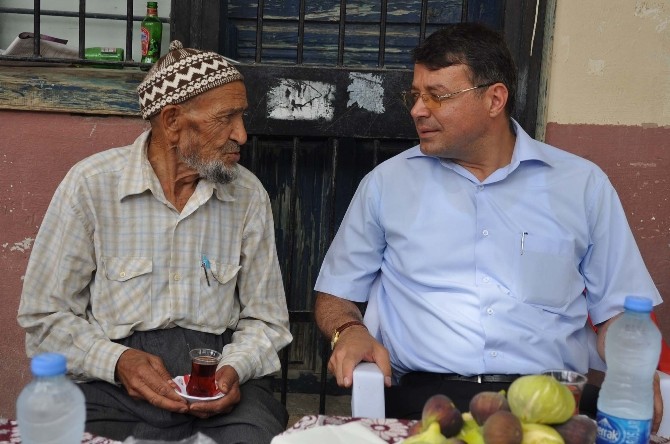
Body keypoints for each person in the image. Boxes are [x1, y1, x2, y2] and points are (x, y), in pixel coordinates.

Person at [314, 22, 664, 431]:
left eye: (438, 96)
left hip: (555, 402)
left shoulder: (581, 185)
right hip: (430, 401)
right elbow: (335, 294)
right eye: (415, 95)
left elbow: (620, 310)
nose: (417, 110)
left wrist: (632, 368)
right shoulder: (387, 186)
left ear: (495, 98)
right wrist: (348, 329)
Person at [18, 40, 292, 443]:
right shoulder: (91, 186)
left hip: (218, 383)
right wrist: (118, 361)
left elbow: (267, 321)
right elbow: (44, 318)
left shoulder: (246, 195)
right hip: (112, 389)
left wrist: (234, 369)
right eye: (226, 118)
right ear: (172, 120)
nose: (242, 134)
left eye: (242, 116)